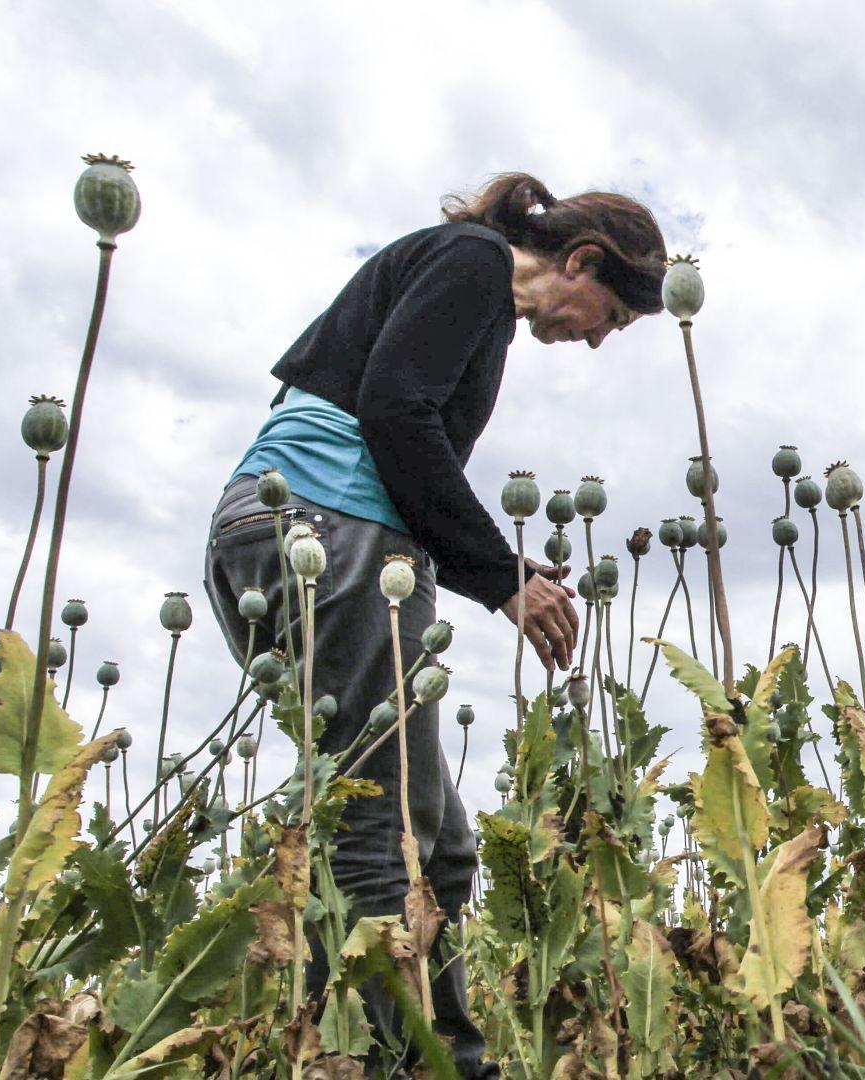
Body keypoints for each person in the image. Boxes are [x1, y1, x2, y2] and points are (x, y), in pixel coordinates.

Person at [201, 173, 666, 1077]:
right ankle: (391, 1063)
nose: (598, 339)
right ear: (583, 261)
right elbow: (395, 414)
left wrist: (500, 567)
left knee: (440, 843)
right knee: (385, 829)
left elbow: (396, 443)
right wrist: (499, 581)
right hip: (327, 536)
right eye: (612, 316)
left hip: (298, 531)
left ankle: (426, 1054)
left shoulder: (467, 282)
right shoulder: (474, 262)